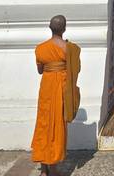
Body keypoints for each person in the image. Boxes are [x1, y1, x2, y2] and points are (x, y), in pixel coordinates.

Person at [31, 15, 81, 176]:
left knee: (44, 124)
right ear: (64, 29)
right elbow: (75, 69)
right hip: (61, 90)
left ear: (49, 27)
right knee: (56, 125)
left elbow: (40, 70)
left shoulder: (40, 48)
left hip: (46, 88)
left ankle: (44, 169)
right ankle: (52, 167)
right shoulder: (70, 49)